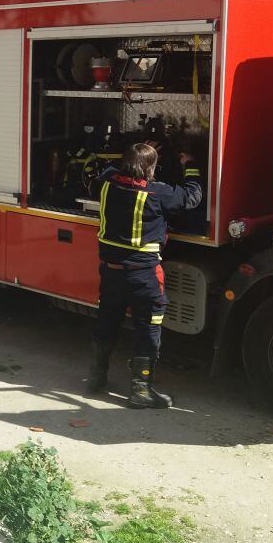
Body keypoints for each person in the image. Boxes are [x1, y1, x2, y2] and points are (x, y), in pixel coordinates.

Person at [86, 142, 202, 409]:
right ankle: (141, 392)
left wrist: (137, 153)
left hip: (111, 273)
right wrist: (191, 165)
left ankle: (95, 379)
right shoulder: (157, 193)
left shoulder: (105, 183)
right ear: (152, 168)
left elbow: (110, 171)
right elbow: (191, 198)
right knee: (148, 329)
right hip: (144, 276)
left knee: (107, 322)